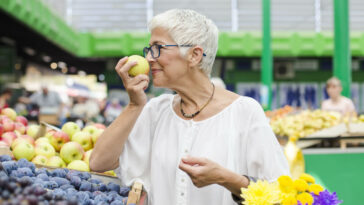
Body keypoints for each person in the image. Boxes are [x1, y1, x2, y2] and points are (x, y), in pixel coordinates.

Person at [90, 9, 289, 205]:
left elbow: (279, 193)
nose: (149, 58)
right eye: (149, 49)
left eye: (158, 47)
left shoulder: (244, 112)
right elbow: (99, 163)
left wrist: (227, 179)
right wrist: (135, 104)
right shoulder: (156, 110)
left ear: (194, 55)